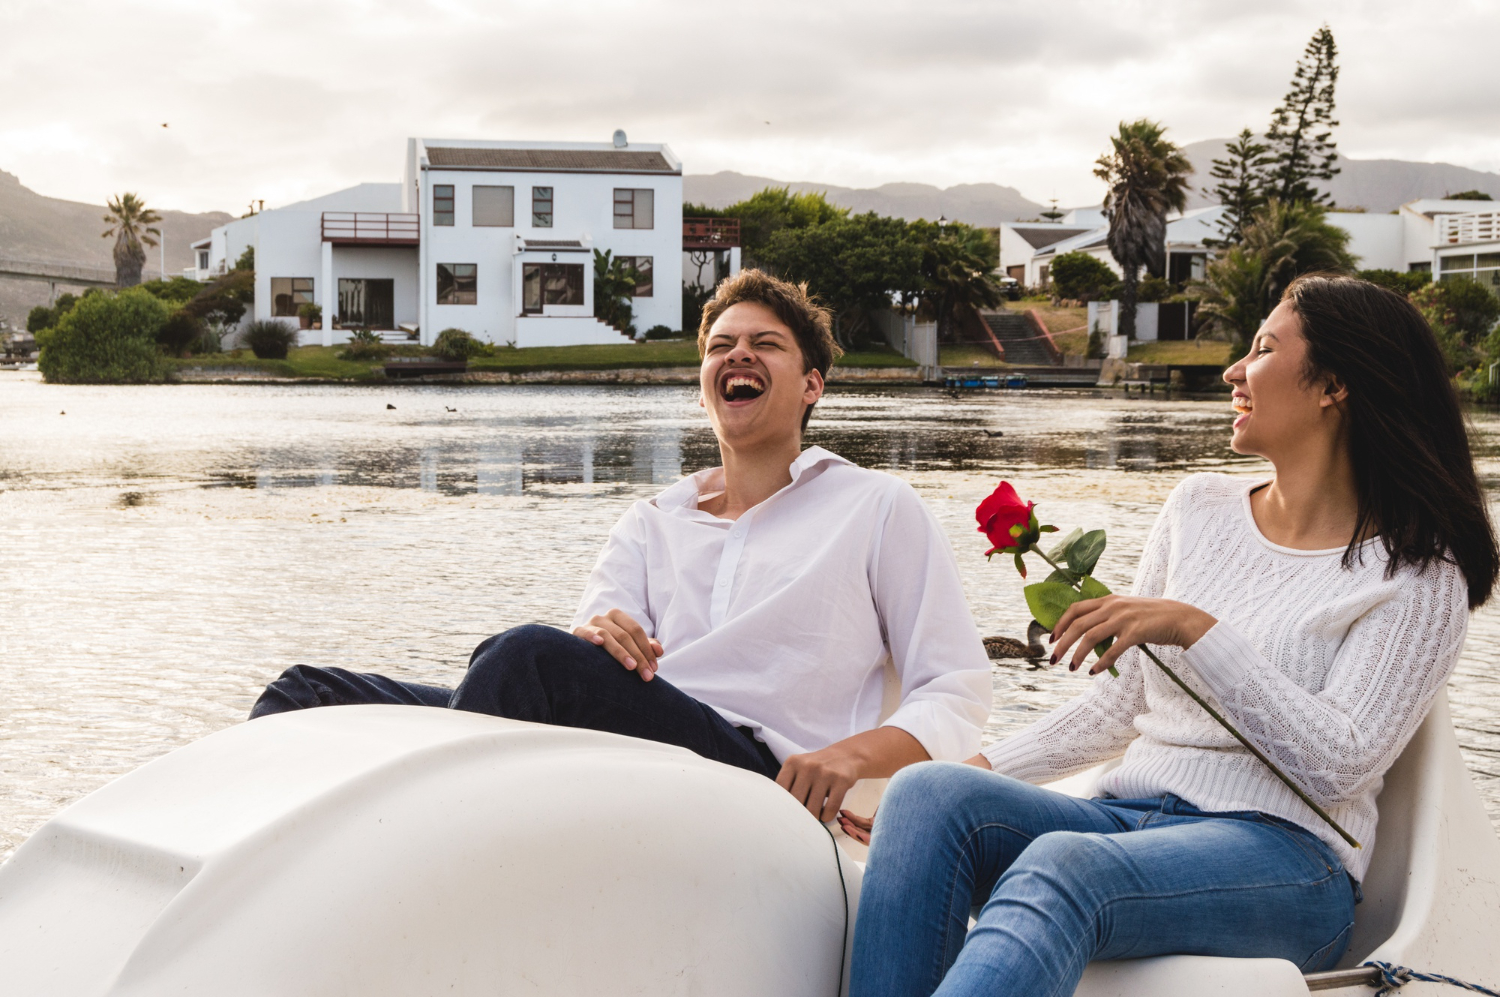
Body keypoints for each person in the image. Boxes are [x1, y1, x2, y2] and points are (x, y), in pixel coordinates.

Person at [843, 274, 1499, 997]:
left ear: (1332, 384)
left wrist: (1196, 629)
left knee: (1062, 865)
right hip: (1131, 818)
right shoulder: (1199, 508)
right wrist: (981, 766)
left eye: (1262, 349)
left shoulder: (1417, 573)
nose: (1233, 372)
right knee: (927, 794)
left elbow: (1337, 764)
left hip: (1287, 864)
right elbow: (1123, 707)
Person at [252, 269, 992, 820]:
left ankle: (420, 865)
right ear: (703, 383)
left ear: (812, 385)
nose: (739, 356)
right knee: (307, 694)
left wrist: (848, 757)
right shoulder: (653, 520)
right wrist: (600, 631)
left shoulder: (875, 508)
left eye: (766, 344)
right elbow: (598, 638)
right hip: (636, 734)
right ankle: (255, 871)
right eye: (722, 346)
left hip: (754, 768)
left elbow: (956, 688)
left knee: (520, 660)